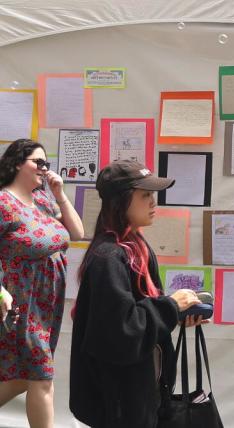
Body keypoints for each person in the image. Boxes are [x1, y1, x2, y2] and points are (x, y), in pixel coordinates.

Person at [69, 160, 204, 427]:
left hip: (137, 394)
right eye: (145, 195)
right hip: (118, 402)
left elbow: (141, 318)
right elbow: (123, 331)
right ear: (120, 201)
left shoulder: (135, 246)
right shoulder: (109, 257)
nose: (153, 202)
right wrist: (170, 307)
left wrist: (178, 314)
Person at [0, 139, 83, 428]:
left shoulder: (44, 201)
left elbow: (77, 232)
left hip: (48, 305)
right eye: (38, 162)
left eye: (46, 163)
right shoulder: (3, 202)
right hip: (21, 301)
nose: (44, 169)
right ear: (16, 163)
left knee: (24, 376)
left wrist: (59, 194)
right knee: (41, 376)